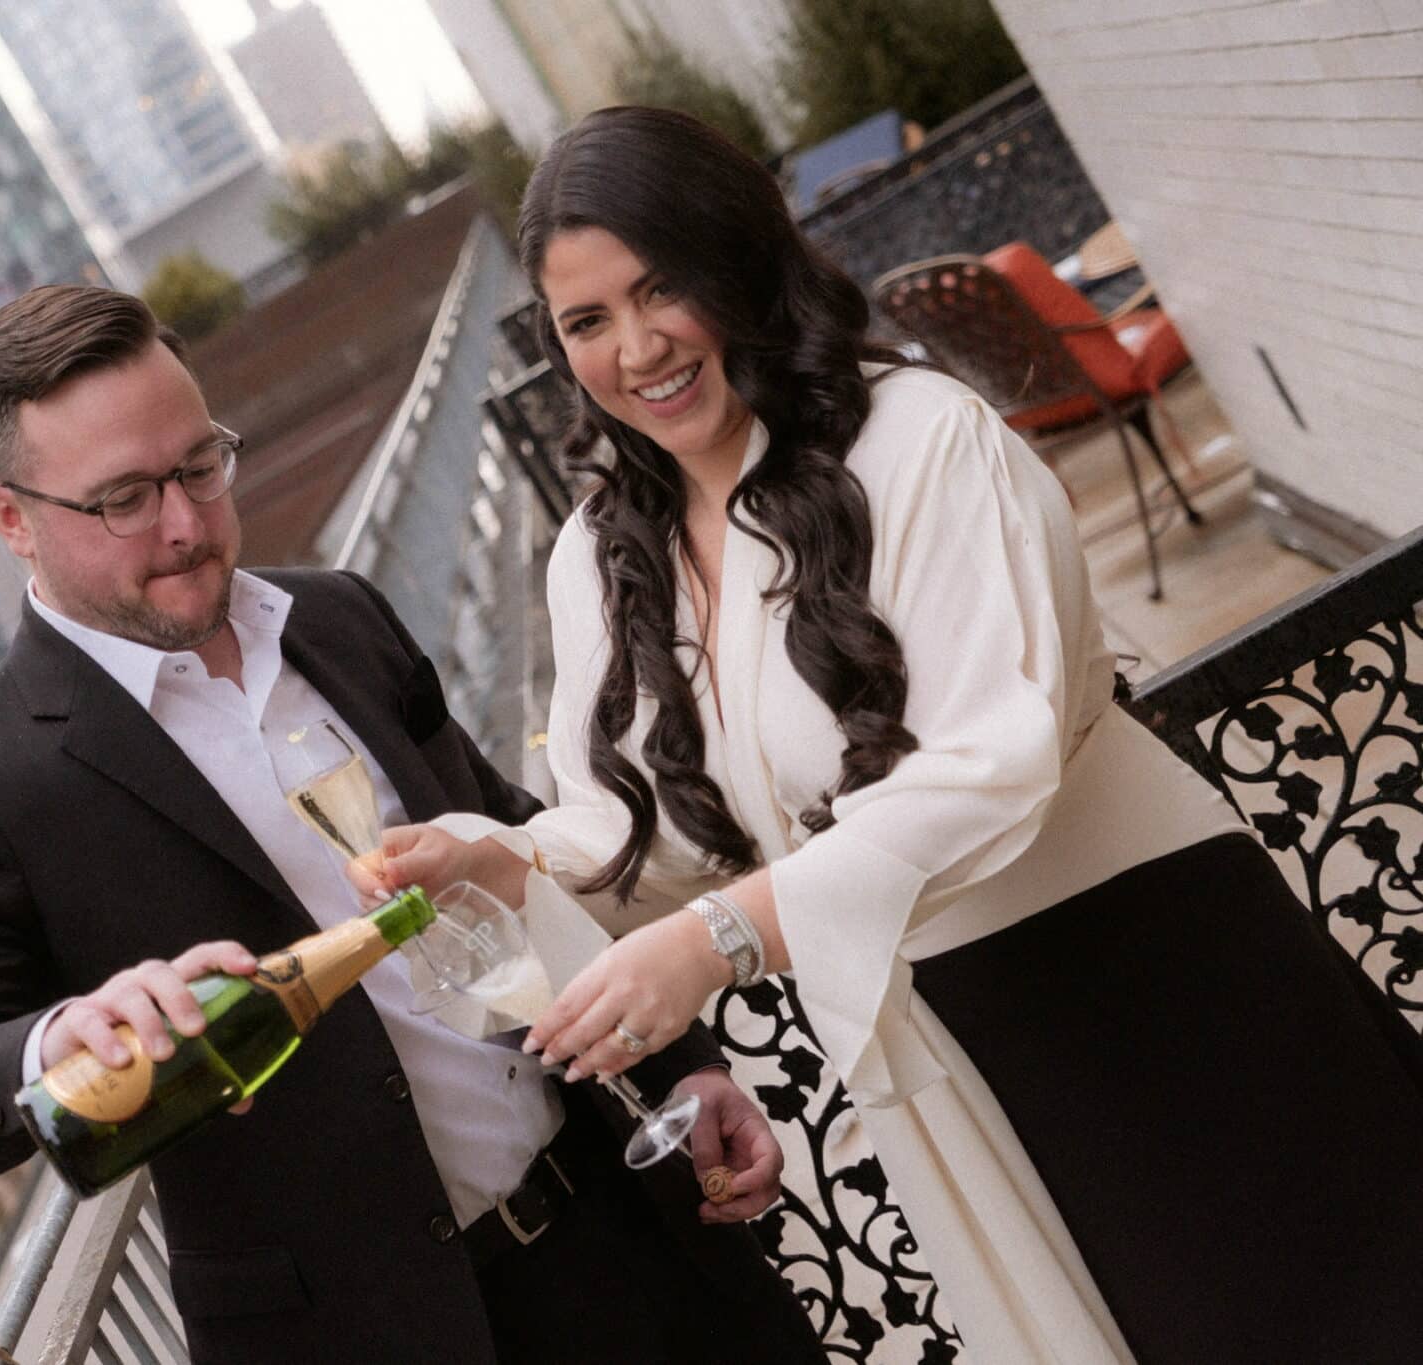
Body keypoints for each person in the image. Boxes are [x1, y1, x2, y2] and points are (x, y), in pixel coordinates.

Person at [359, 107, 1423, 1365]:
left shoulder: (918, 435)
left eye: (663, 291)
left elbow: (996, 753)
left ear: (739, 262)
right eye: (586, 321)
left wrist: (723, 939)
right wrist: (499, 866)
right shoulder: (598, 557)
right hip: (933, 1053)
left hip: (1141, 971)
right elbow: (660, 845)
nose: (636, 348)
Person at [0, 283, 829, 1364]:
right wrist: (58, 1037)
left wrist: (676, 1058)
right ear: (8, 520)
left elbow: (507, 839)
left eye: (197, 467)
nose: (184, 524)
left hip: (627, 1234)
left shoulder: (339, 615)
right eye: (123, 498)